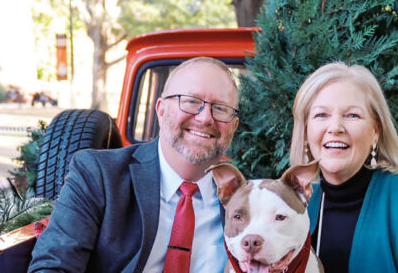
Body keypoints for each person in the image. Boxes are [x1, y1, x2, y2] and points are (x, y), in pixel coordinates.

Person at [29, 57, 240, 273]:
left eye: (221, 108)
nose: (205, 118)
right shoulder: (99, 175)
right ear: (161, 109)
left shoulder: (246, 199)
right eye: (192, 101)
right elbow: (52, 267)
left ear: (233, 125)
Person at [289, 62, 398, 273]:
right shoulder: (292, 205)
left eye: (352, 115)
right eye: (321, 115)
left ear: (375, 131)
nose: (335, 127)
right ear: (306, 131)